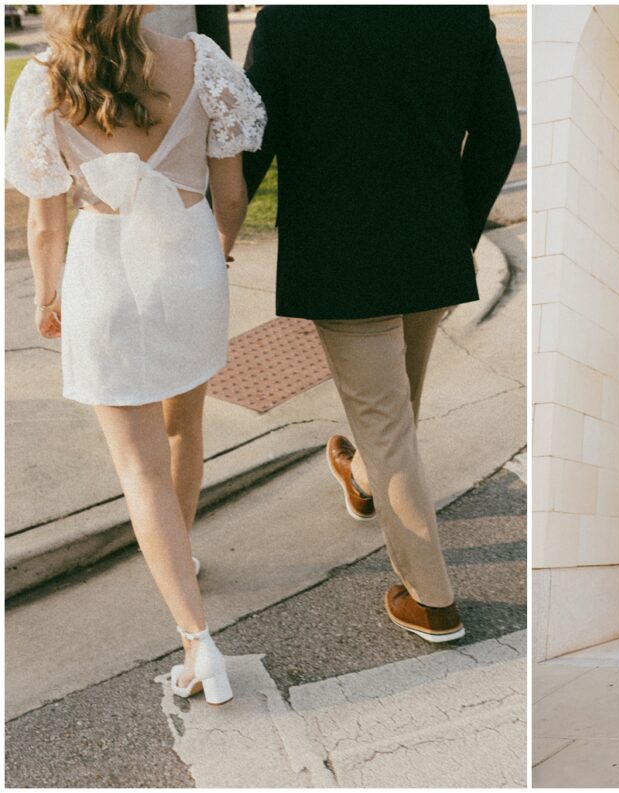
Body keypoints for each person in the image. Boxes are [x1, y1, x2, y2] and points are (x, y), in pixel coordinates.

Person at [5, 5, 265, 705]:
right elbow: (232, 193)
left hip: (104, 276)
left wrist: (46, 296)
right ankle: (183, 556)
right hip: (188, 267)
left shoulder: (45, 80)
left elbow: (43, 217)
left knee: (138, 469)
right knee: (184, 429)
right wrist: (218, 254)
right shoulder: (201, 60)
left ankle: (196, 639)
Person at [242, 6, 520, 642]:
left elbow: (254, 141)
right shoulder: (459, 15)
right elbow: (499, 134)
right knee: (398, 404)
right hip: (429, 243)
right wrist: (458, 231)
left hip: (340, 256)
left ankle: (433, 599)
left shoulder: (289, 22)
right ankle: (364, 481)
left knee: (386, 420)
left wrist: (215, 231)